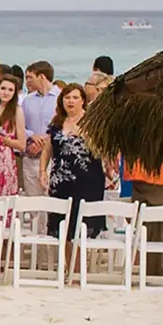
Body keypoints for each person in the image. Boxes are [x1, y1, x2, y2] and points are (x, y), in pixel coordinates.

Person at [40, 86, 107, 263]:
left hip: (87, 180)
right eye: (67, 97)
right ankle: (66, 266)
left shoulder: (92, 121)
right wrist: (42, 171)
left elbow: (101, 149)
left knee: (82, 224)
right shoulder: (57, 122)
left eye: (75, 97)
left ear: (83, 100)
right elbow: (47, 149)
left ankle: (78, 269)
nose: (70, 101)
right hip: (60, 180)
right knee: (63, 225)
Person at [20, 61, 61, 198]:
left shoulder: (60, 98)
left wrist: (44, 142)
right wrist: (32, 136)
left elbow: (63, 125)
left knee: (50, 197)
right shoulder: (27, 100)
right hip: (30, 154)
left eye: (30, 77)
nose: (27, 82)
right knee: (32, 200)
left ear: (42, 77)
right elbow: (20, 126)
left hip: (51, 157)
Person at [0, 74, 26, 201]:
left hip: (4, 159)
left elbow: (21, 144)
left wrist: (0, 138)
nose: (6, 93)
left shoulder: (17, 111)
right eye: (3, 88)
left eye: (10, 90)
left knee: (1, 195)